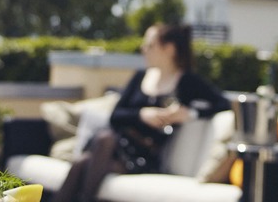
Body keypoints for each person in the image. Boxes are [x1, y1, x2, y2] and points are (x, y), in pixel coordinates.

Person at [53, 24, 230, 202]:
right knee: (83, 161)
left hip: (144, 156)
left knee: (94, 151)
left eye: (150, 45)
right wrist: (142, 115)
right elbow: (115, 116)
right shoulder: (140, 77)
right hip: (115, 149)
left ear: (169, 49)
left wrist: (189, 113)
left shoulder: (186, 81)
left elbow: (223, 103)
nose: (143, 49)